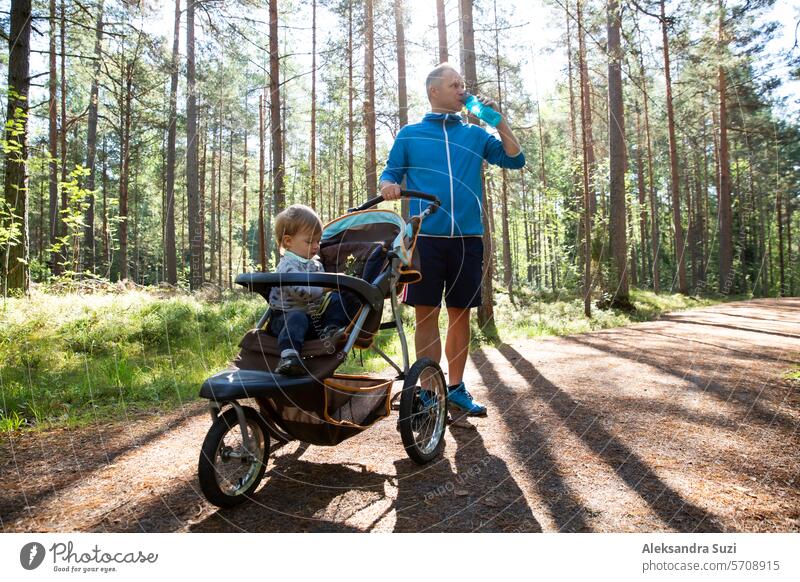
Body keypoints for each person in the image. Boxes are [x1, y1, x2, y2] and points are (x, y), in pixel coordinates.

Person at [379, 63, 525, 416]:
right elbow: (389, 173)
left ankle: (456, 388)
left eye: (463, 84)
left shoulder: (475, 136)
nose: (462, 89)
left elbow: (515, 159)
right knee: (426, 314)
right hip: (424, 239)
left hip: (467, 239)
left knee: (460, 315)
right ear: (434, 92)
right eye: (454, 84)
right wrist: (388, 186)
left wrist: (497, 121)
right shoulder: (410, 134)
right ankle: (430, 391)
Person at [269, 204, 382, 375]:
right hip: (284, 318)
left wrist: (331, 289)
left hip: (312, 319)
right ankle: (289, 356)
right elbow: (299, 291)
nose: (316, 246)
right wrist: (323, 288)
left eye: (318, 241)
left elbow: (323, 295)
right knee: (297, 317)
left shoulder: (316, 264)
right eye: (309, 241)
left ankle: (332, 329)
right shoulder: (286, 266)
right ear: (288, 241)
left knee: (336, 298)